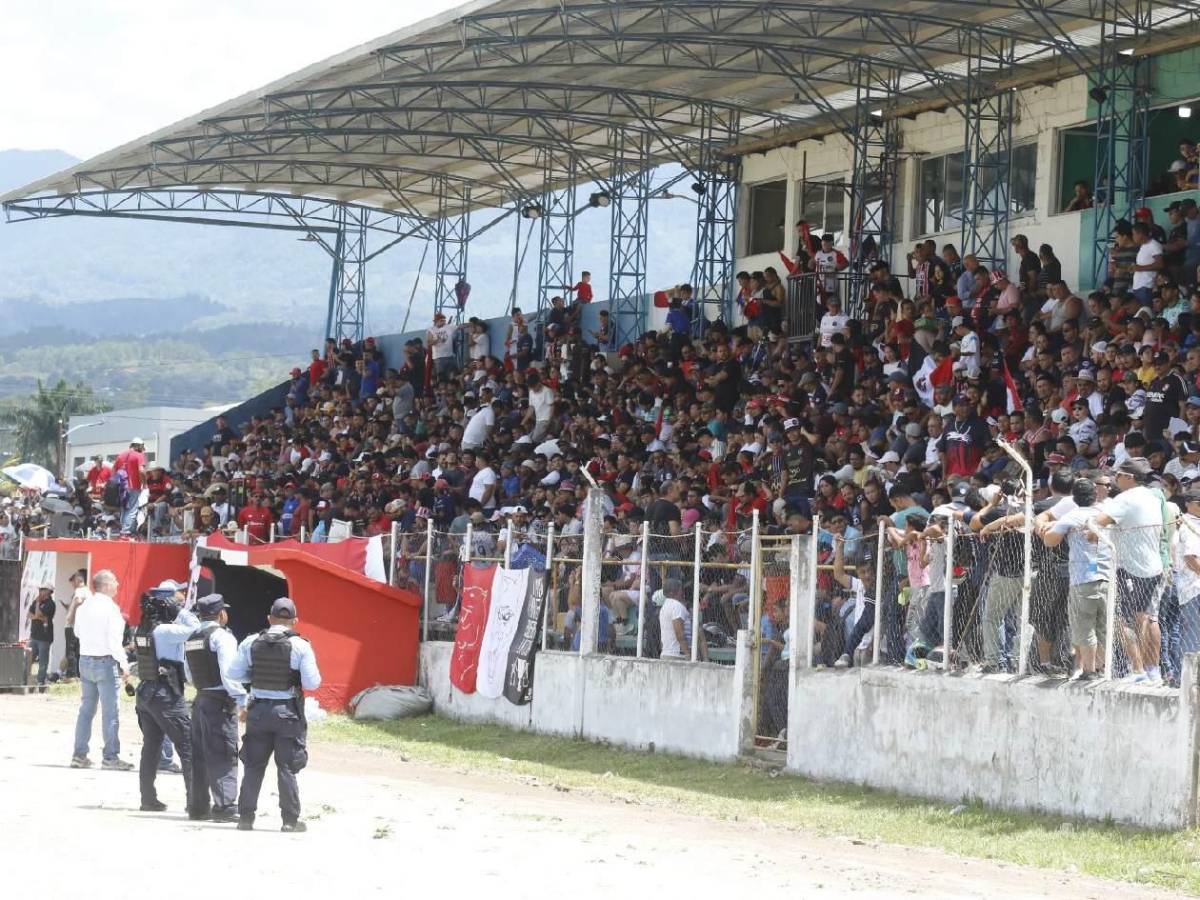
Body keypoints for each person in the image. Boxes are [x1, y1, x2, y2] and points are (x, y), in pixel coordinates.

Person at [229, 597, 322, 832]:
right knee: (287, 767)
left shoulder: (251, 642)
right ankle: (289, 821)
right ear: (295, 621)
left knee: (253, 765)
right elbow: (313, 682)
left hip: (258, 711)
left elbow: (234, 673)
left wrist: (256, 677)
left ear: (269, 619)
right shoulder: (301, 645)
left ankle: (245, 818)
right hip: (287, 714)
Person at [133, 587, 199, 813]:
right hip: (165, 694)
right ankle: (195, 802)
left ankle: (148, 799)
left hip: (146, 694)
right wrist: (180, 611)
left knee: (151, 746)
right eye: (174, 602)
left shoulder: (143, 630)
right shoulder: (164, 630)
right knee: (188, 744)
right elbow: (196, 629)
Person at [1040, 478, 1113, 681]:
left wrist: (1051, 529)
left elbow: (1050, 541)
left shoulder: (1073, 515)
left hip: (1083, 578)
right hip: (1106, 575)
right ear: (1095, 495)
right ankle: (1101, 668)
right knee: (1103, 625)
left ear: (1074, 497)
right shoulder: (1103, 515)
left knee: (1084, 625)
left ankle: (1089, 671)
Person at [184, 593, 246, 822]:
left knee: (199, 755)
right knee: (223, 753)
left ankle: (198, 808)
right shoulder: (222, 637)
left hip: (200, 699)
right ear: (221, 614)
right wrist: (242, 699)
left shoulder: (191, 638)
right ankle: (225, 807)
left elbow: (189, 675)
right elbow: (229, 674)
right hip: (220, 702)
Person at [71, 570, 133, 770]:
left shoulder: (84, 606)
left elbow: (77, 632)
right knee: (110, 712)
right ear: (106, 585)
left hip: (85, 660)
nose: (117, 585)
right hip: (105, 662)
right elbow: (115, 642)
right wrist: (124, 665)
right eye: (114, 582)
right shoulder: (111, 609)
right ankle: (110, 757)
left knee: (86, 710)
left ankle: (79, 755)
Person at [112, 437, 147, 535]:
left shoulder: (121, 455)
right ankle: (125, 531)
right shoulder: (139, 455)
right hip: (133, 486)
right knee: (132, 509)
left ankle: (123, 529)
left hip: (121, 487)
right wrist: (144, 483)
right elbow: (141, 470)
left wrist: (114, 483)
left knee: (124, 509)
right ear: (139, 446)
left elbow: (114, 469)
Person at [27, 580, 56, 689]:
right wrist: (37, 617)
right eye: (40, 589)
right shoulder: (36, 601)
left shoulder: (50, 604)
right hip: (34, 635)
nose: (40, 591)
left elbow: (38, 613)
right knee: (29, 659)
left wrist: (38, 605)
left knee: (43, 660)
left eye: (43, 589)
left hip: (44, 637)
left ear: (49, 591)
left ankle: (40, 681)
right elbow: (29, 615)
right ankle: (26, 678)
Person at [63, 568, 89, 679]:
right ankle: (78, 674)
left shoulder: (80, 590)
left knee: (71, 651)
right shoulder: (88, 591)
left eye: (76, 577)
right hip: (81, 626)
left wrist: (70, 616)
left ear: (79, 579)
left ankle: (72, 675)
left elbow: (78, 601)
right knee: (78, 650)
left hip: (72, 626)